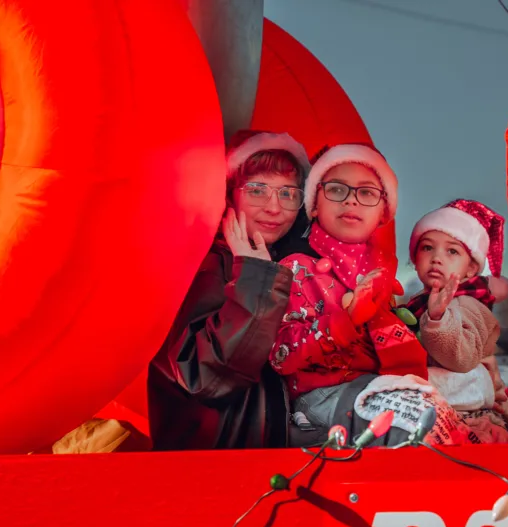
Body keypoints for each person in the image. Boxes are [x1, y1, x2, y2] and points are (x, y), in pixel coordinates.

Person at [269, 142, 441, 446]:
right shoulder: (295, 268)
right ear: (314, 204)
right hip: (322, 394)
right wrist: (345, 320)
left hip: (378, 387)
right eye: (337, 189)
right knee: (409, 430)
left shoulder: (382, 277)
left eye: (366, 192)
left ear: (383, 212)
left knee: (441, 424)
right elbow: (280, 355)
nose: (351, 201)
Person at [147, 130, 311, 450]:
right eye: (257, 190)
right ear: (231, 194)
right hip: (214, 467)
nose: (274, 208)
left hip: (267, 464)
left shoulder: (292, 266)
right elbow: (204, 379)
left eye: (288, 193)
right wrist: (256, 281)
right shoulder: (205, 265)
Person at [404, 199, 508, 443]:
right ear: (415, 259)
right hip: (429, 412)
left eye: (452, 251)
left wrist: (438, 320)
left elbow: (462, 358)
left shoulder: (471, 306)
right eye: (427, 248)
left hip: (465, 416)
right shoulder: (414, 306)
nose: (437, 258)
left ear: (471, 269)